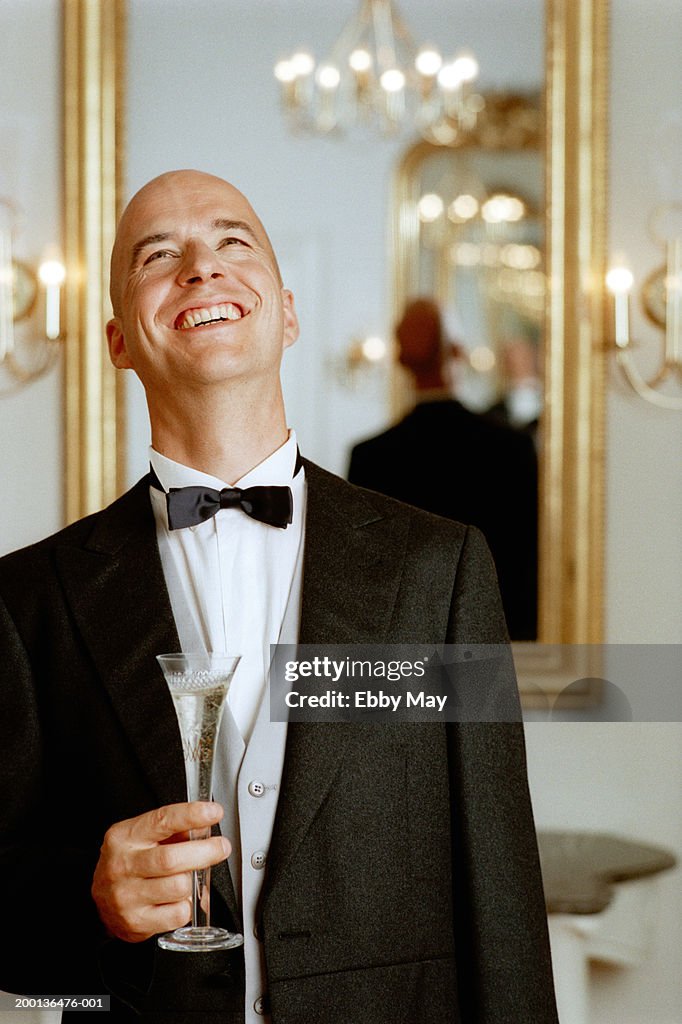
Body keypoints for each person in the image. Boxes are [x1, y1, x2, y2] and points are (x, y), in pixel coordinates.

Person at [0, 171, 557, 1022]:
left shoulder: (440, 569)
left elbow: (500, 889)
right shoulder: (29, 598)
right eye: (160, 255)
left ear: (287, 313)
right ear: (117, 339)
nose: (201, 268)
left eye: (234, 243)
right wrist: (92, 901)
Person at [348, 298, 539, 641]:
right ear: (458, 351)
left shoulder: (370, 457)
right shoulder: (510, 449)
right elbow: (526, 568)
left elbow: (367, 585)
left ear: (400, 359)